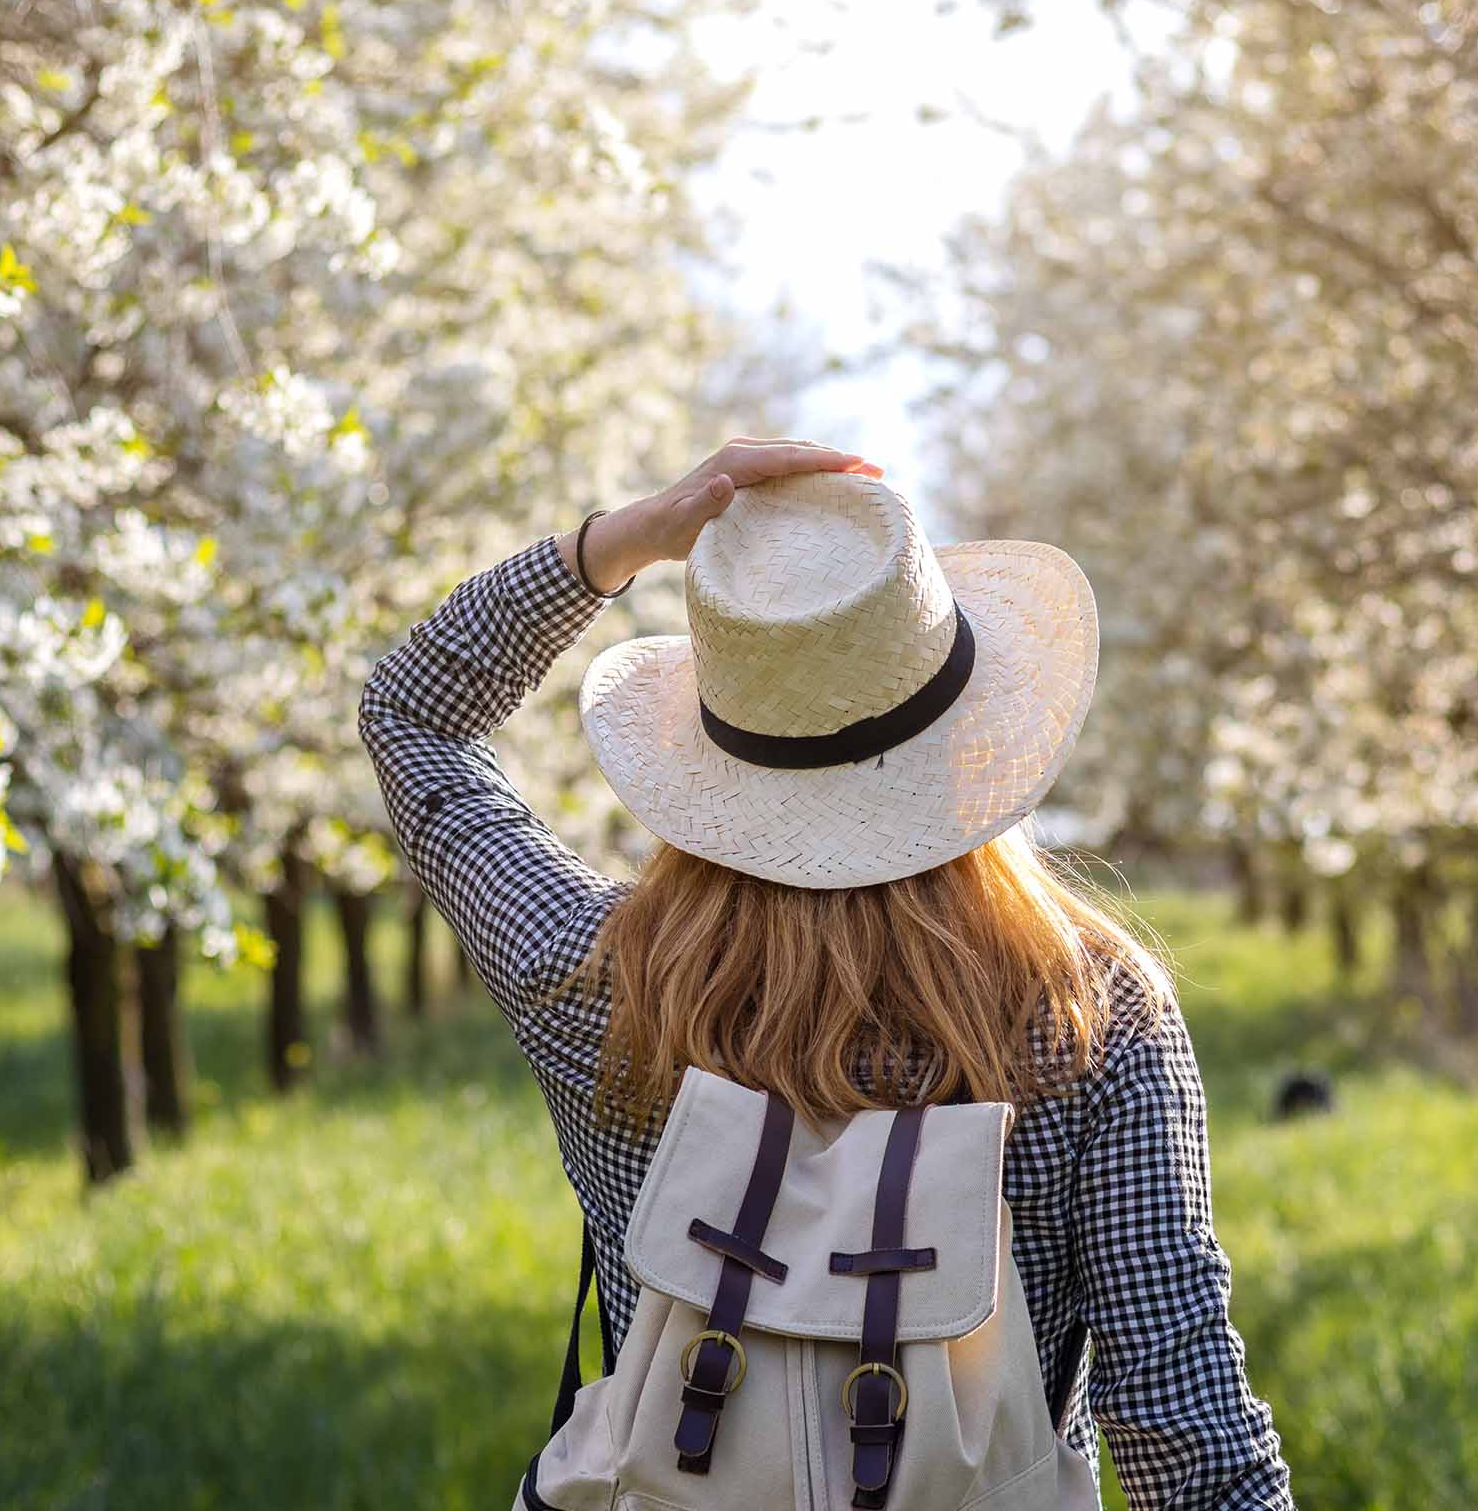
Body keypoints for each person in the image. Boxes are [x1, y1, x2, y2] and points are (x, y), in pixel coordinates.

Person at [361, 438, 1292, 1507]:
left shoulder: (596, 982)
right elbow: (1186, 1428)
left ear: (708, 760)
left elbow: (410, 716)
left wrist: (615, 545)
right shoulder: (1087, 1013)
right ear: (972, 739)